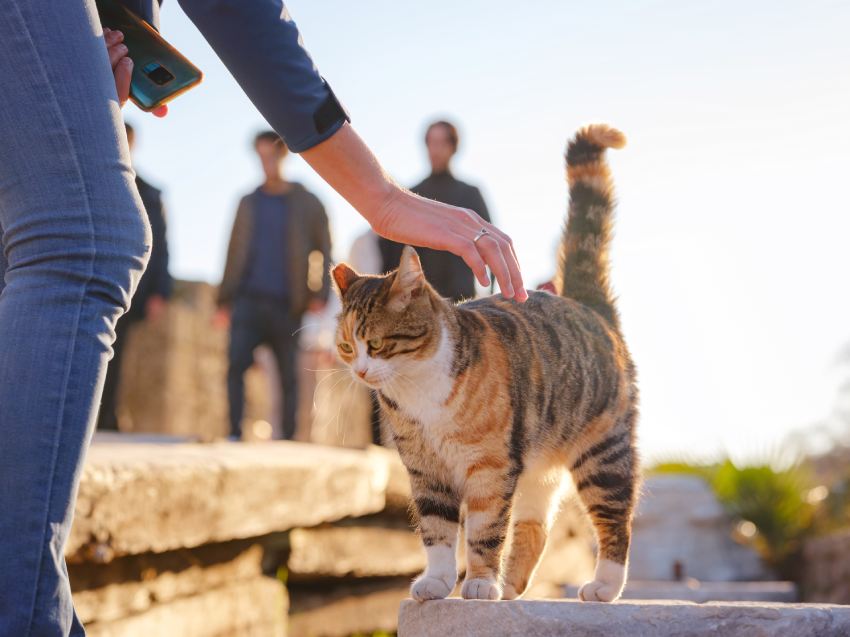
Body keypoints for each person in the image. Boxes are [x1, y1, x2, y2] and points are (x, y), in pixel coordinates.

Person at [0, 2, 525, 634]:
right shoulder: (251, 202)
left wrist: (122, 20)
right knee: (86, 236)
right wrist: (380, 196)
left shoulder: (313, 203)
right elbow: (242, 15)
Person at [217, 131, 330, 441]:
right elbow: (233, 250)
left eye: (271, 156)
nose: (266, 163)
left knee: (288, 376)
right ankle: (233, 433)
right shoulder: (247, 202)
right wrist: (223, 301)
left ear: (283, 156)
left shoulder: (308, 202)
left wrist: (319, 293)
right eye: (261, 156)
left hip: (287, 303)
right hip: (247, 300)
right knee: (235, 366)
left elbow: (325, 247)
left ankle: (288, 438)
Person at [98, 122, 172, 431]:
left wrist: (160, 293)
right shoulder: (94, 180)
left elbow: (162, 245)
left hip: (131, 287)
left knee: (118, 354)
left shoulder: (151, 194)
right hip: (95, 277)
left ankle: (107, 417)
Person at [380, 120, 493, 301]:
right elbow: (393, 254)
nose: (435, 150)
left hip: (462, 300)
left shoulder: (470, 194)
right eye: (432, 143)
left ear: (453, 147)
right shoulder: (411, 196)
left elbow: (489, 243)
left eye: (442, 143)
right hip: (421, 302)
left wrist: (491, 291)